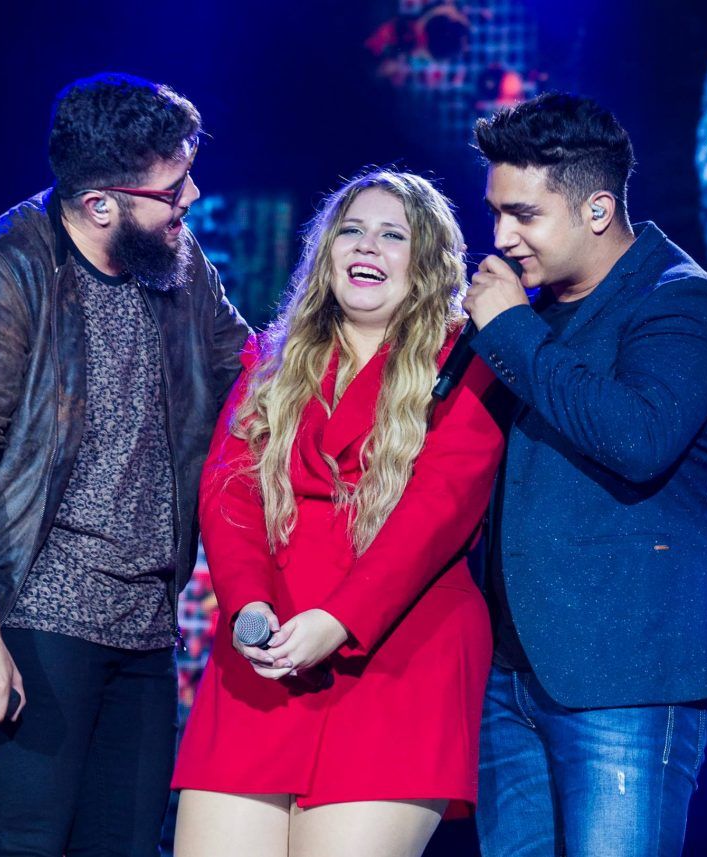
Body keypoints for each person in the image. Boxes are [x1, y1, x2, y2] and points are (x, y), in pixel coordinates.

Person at [0, 73, 250, 856]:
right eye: (172, 188)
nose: (192, 198)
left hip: (144, 623)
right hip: (37, 616)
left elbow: (251, 368)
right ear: (101, 203)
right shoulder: (1, 271)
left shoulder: (175, 260)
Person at [171, 170, 505, 857]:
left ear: (428, 261)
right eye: (351, 230)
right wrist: (248, 608)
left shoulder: (467, 361)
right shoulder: (273, 357)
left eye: (393, 234)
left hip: (399, 655)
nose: (367, 246)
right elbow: (228, 490)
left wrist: (340, 618)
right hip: (266, 655)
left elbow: (440, 507)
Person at [463, 92, 707, 857]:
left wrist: (510, 328)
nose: (500, 237)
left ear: (595, 209)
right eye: (494, 213)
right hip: (508, 671)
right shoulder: (532, 311)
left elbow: (639, 438)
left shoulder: (680, 302)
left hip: (626, 670)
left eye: (523, 214)